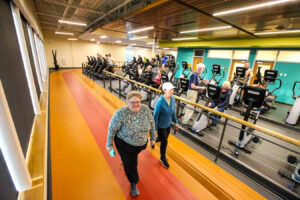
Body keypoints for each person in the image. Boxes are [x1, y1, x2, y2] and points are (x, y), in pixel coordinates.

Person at [106, 91, 156, 197]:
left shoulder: (145, 109)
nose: (136, 104)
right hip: (125, 144)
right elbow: (112, 129)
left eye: (138, 101)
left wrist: (152, 137)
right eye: (132, 102)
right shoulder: (121, 113)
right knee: (131, 164)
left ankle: (124, 159)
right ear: (127, 103)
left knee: (131, 158)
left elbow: (151, 123)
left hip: (141, 144)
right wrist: (109, 145)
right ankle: (133, 182)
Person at [153, 82, 178, 168]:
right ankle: (162, 158)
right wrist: (155, 129)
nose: (172, 91)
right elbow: (155, 116)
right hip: (161, 126)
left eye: (173, 90)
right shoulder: (160, 102)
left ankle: (152, 140)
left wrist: (176, 122)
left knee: (163, 138)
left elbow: (173, 111)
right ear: (164, 90)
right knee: (165, 142)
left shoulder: (172, 99)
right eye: (170, 90)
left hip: (168, 125)